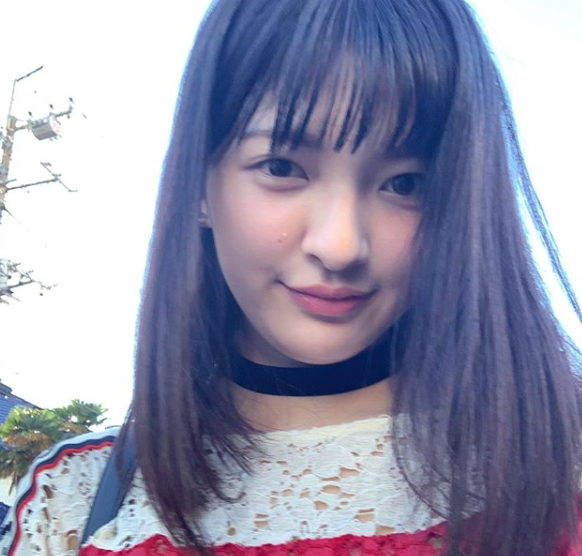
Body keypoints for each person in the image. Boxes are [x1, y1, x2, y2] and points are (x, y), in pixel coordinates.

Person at [2, 0, 582, 555]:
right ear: (199, 186)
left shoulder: (562, 457)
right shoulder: (76, 499)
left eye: (405, 183)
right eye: (281, 167)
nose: (340, 245)